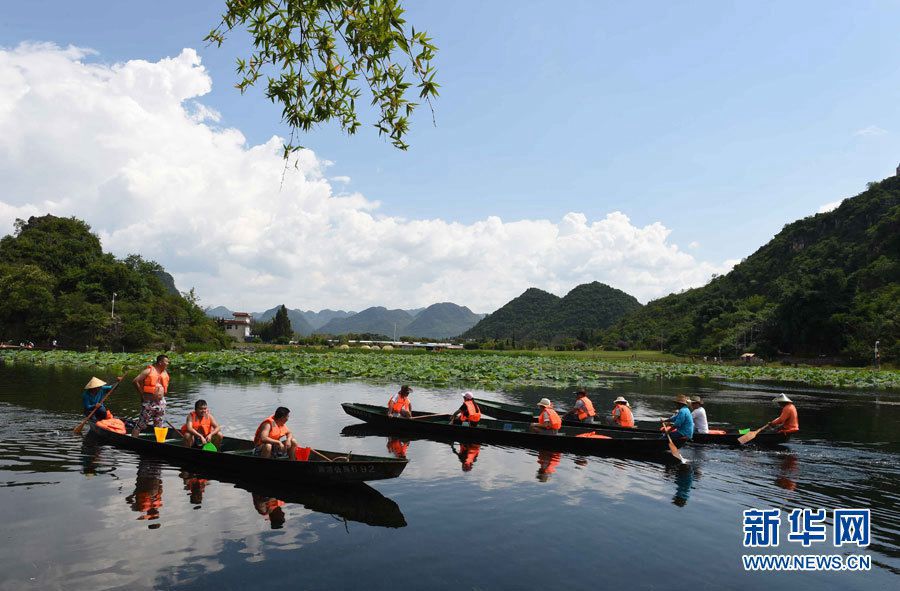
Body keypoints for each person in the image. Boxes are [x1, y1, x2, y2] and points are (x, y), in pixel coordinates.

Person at [131, 354, 170, 437]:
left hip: (161, 402)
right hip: (149, 402)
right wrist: (142, 394)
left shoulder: (164, 372)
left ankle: (159, 442)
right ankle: (133, 439)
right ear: (160, 362)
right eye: (166, 362)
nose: (168, 363)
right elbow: (135, 381)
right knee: (141, 424)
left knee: (159, 424)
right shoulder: (148, 371)